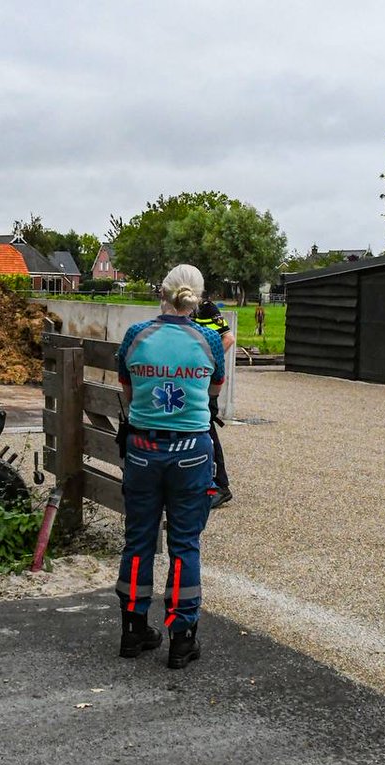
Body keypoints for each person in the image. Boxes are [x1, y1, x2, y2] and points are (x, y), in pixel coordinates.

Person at [115, 264, 225, 669]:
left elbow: (126, 388)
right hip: (192, 451)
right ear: (198, 296)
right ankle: (182, 638)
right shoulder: (210, 339)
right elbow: (214, 389)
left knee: (138, 540)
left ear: (161, 292)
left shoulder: (135, 336)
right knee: (184, 544)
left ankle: (133, 629)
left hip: (143, 449)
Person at [190, 293, 236, 508]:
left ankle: (220, 485)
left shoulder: (205, 308)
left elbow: (228, 338)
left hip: (203, 380)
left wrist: (208, 361)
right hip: (188, 380)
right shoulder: (177, 308)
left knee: (207, 430)